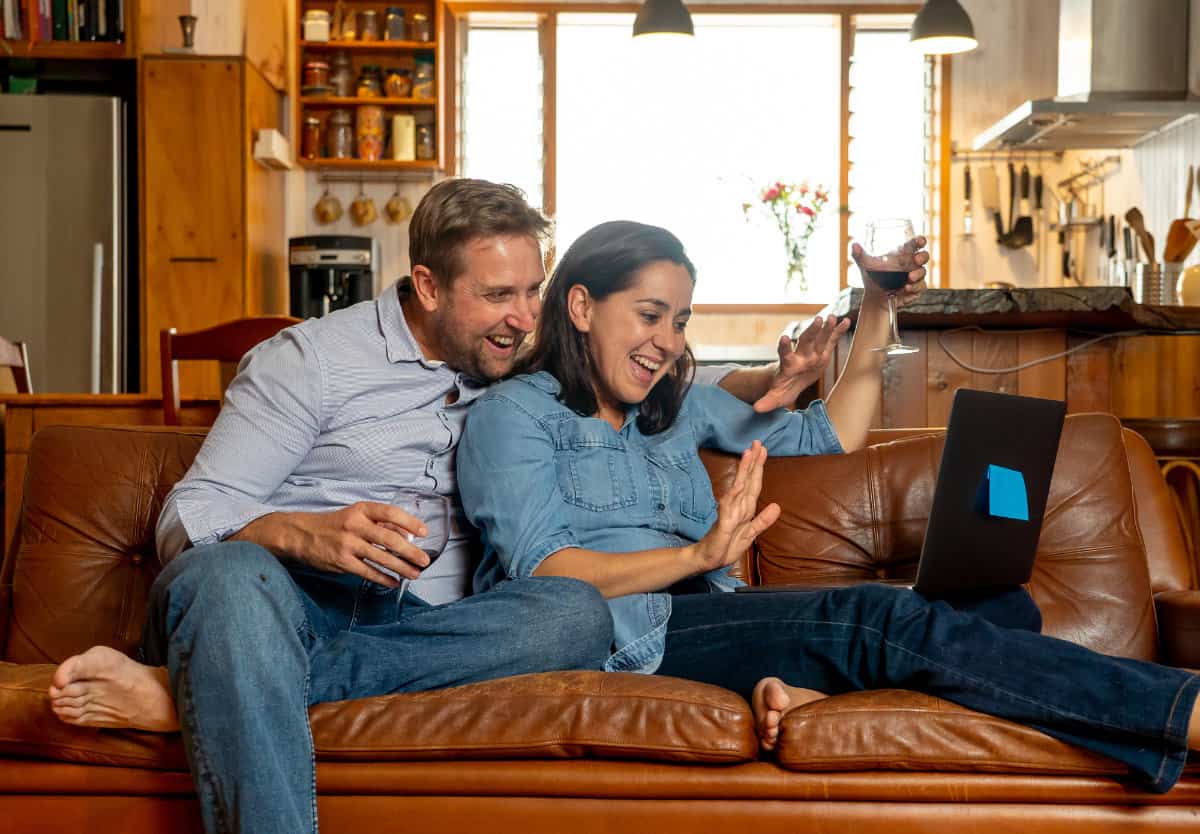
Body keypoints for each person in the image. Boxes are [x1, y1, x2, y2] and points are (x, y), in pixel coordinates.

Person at [45, 179, 846, 834]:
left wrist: (752, 388)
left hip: (426, 629)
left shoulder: (513, 364)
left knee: (572, 614)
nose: (524, 317)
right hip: (277, 602)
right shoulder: (311, 362)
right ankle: (234, 670)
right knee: (222, 578)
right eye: (499, 294)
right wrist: (301, 532)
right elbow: (190, 514)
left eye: (533, 291)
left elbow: (634, 374)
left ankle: (205, 690)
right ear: (427, 286)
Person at [456, 219, 1200, 794]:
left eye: (679, 321)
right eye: (649, 314)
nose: (665, 341)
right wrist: (697, 554)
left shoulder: (680, 410)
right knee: (879, 619)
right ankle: (1182, 711)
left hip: (709, 616)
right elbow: (545, 575)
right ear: (582, 305)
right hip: (626, 641)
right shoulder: (513, 417)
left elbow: (833, 432)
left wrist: (877, 307)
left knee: (1000, 603)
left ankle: (813, 696)